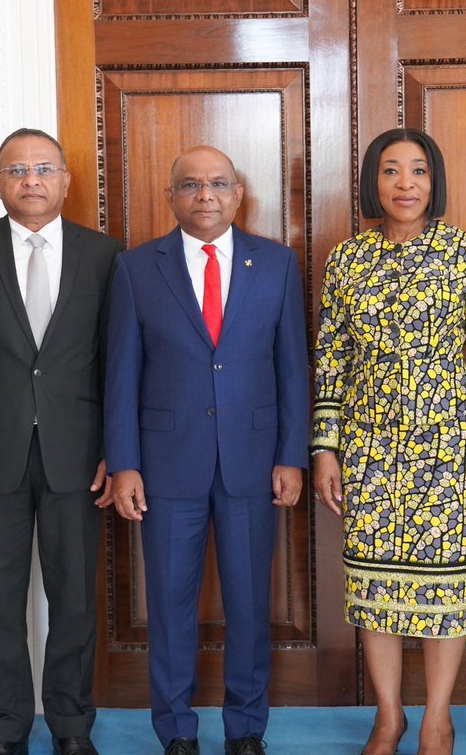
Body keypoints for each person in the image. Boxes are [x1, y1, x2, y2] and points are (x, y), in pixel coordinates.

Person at [311, 128, 466, 755]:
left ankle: (437, 720)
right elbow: (330, 360)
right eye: (391, 170)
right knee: (374, 587)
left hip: (448, 442)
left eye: (418, 170)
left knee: (446, 587)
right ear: (373, 181)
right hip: (368, 446)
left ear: (434, 181)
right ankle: (389, 716)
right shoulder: (347, 260)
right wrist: (324, 447)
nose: (405, 184)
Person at [104, 146, 309, 755]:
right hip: (167, 464)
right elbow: (121, 375)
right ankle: (175, 729)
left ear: (238, 194)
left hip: (254, 461)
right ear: (171, 196)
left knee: (249, 603)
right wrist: (124, 464)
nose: (205, 195)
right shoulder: (136, 269)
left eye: (218, 183)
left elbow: (292, 368)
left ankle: (245, 729)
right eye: (190, 184)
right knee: (170, 605)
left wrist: (291, 455)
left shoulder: (276, 263)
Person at [0, 128, 121, 755]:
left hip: (80, 456)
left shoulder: (104, 254)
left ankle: (72, 726)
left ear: (65, 179)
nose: (31, 181)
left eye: (43, 169)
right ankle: (5, 730)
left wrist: (116, 452)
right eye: (17, 170)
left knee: (74, 600)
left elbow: (116, 364)